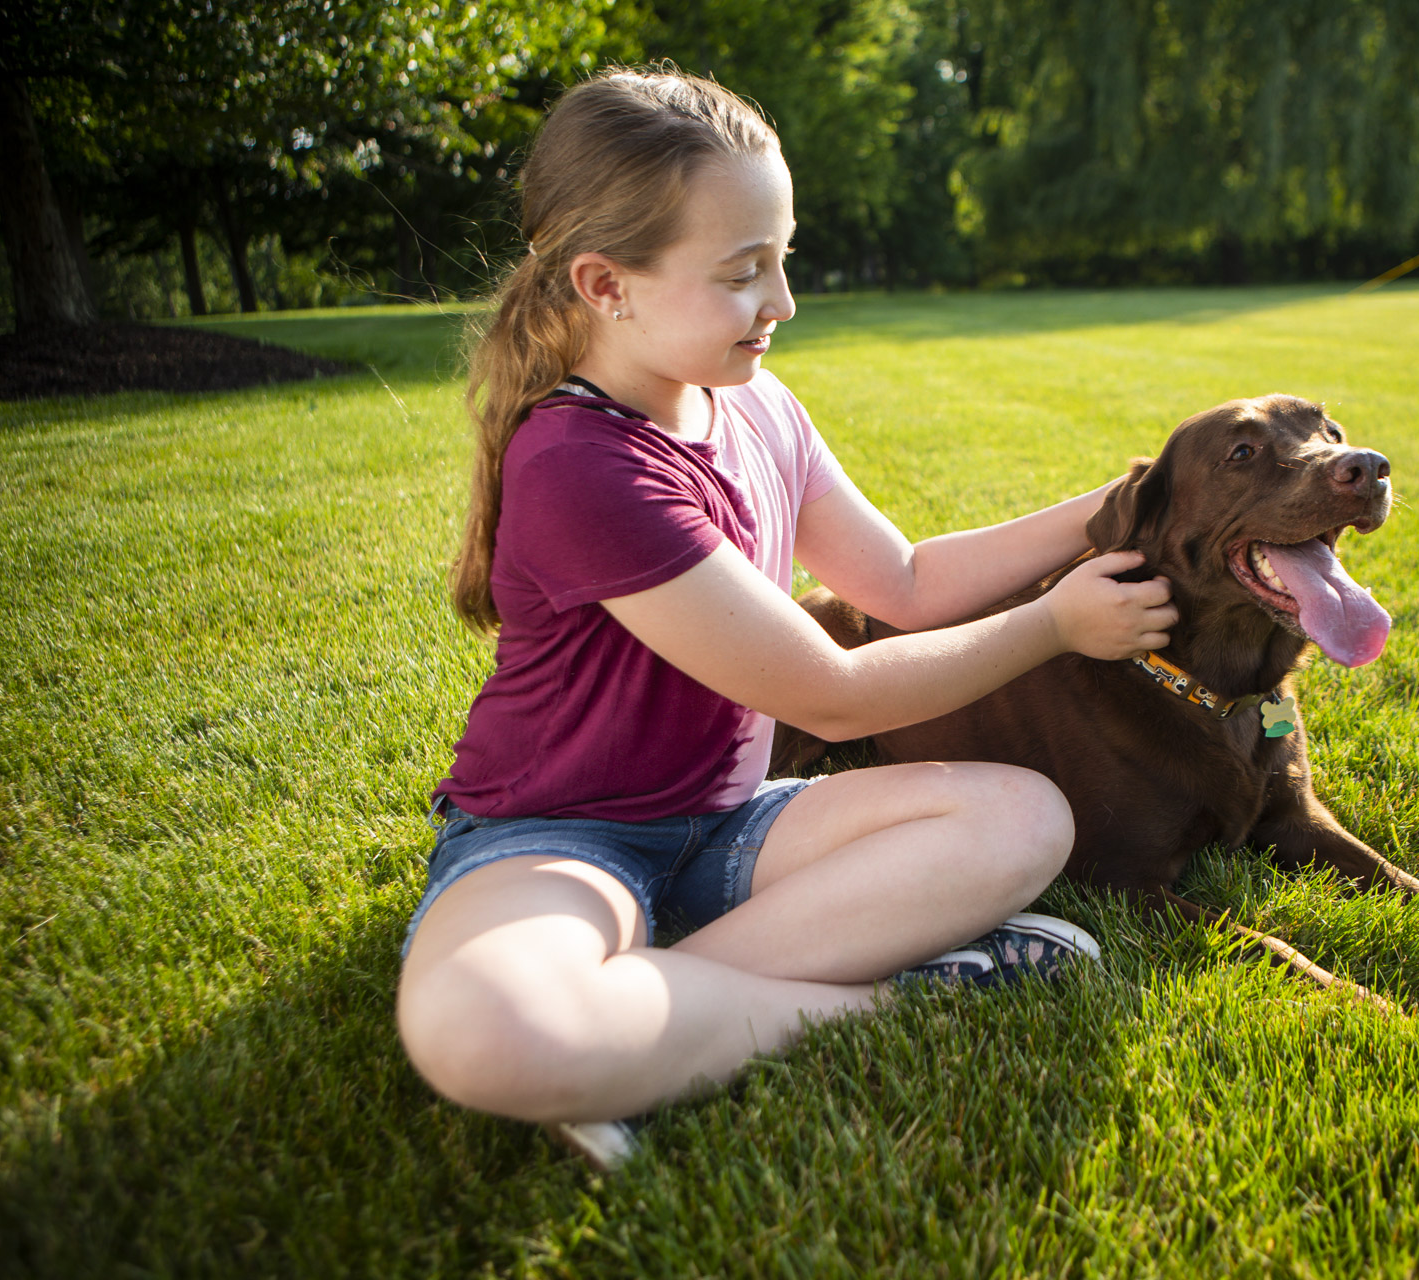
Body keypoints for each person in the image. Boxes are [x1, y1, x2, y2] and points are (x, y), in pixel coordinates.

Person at [395, 66, 1176, 1167]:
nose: (783, 302)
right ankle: (883, 998)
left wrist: (1108, 509)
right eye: (741, 273)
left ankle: (646, 1024)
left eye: (784, 258)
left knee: (1024, 817)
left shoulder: (759, 405)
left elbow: (902, 580)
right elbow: (831, 691)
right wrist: (1052, 624)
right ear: (606, 283)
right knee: (488, 1032)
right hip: (557, 836)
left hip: (730, 827)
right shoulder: (578, 461)